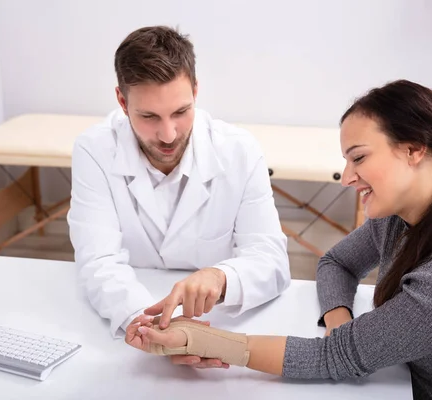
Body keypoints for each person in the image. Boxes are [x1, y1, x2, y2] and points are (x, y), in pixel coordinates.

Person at [125, 79, 432, 398]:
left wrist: (200, 340)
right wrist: (341, 320)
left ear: (413, 150)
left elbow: (333, 358)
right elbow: (336, 263)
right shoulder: (404, 217)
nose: (346, 177)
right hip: (401, 380)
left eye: (358, 158)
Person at [67, 25, 290, 347]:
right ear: (121, 99)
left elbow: (271, 260)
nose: (168, 134)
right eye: (149, 116)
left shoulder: (240, 150)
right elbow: (98, 260)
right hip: (132, 317)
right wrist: (143, 323)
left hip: (221, 318)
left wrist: (221, 277)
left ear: (196, 91)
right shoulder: (94, 149)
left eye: (181, 112)